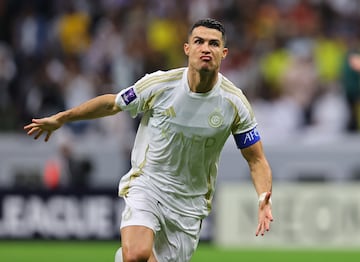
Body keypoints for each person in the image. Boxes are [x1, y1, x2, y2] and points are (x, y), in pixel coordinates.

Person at [24, 18, 273, 262]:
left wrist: (263, 197)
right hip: (148, 184)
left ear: (224, 53)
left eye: (214, 44)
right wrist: (62, 118)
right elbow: (113, 104)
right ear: (187, 49)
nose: (206, 48)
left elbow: (256, 159)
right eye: (199, 41)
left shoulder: (234, 103)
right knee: (136, 255)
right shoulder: (160, 85)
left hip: (189, 205)